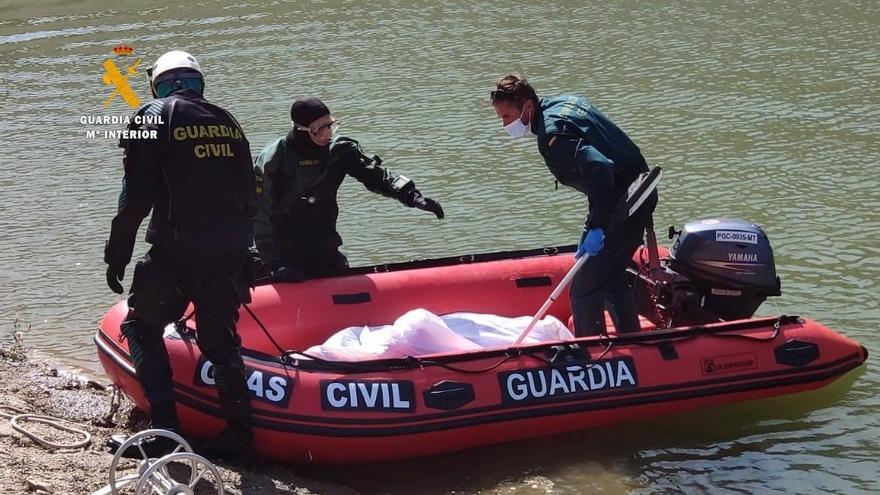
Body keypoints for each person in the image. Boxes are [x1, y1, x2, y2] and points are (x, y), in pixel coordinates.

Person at [103, 50, 257, 458]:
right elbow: (250, 192)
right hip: (228, 252)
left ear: (158, 84)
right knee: (222, 345)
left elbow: (135, 195)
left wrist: (117, 251)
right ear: (198, 81)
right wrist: (247, 251)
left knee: (140, 327)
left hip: (177, 252)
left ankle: (165, 432)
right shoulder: (228, 121)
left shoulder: (152, 115)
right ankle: (241, 438)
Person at [490, 73, 657, 337]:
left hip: (623, 204)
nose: (504, 124)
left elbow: (601, 168)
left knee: (583, 288)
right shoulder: (565, 102)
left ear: (528, 107)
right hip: (640, 192)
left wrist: (597, 226)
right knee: (612, 278)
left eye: (506, 117)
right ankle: (632, 344)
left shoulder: (552, 135)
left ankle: (588, 357)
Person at [254, 96, 444, 280]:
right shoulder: (273, 160)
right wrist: (273, 263)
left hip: (325, 249)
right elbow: (260, 216)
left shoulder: (338, 151)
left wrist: (412, 195)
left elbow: (377, 176)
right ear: (301, 129)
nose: (328, 134)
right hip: (285, 256)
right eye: (320, 130)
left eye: (331, 126)